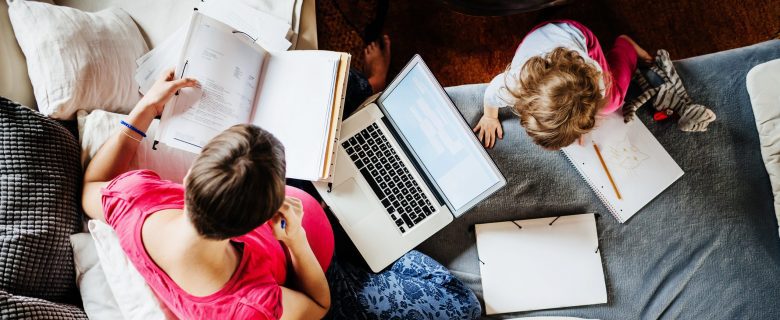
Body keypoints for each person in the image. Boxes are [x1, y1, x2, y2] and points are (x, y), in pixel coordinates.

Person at [82, 35, 481, 319]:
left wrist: (146, 108)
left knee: (344, 88)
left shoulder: (135, 198)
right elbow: (319, 306)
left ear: (190, 179)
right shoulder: (249, 307)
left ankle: (373, 87)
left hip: (301, 212)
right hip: (323, 268)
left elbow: (89, 188)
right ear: (259, 223)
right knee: (459, 305)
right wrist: (296, 241)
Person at [472, 20, 653, 150]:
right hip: (555, 32)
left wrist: (580, 122)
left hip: (566, 36)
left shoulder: (595, 78)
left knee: (612, 102)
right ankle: (625, 46)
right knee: (607, 105)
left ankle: (625, 47)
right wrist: (490, 117)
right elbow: (490, 95)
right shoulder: (513, 83)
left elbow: (585, 104)